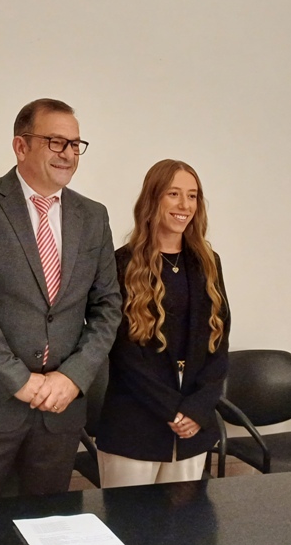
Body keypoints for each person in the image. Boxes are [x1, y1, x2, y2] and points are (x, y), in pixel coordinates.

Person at [0, 98, 121, 501]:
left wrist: (73, 377)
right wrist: (18, 380)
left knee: (48, 527)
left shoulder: (93, 216)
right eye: (56, 141)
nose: (68, 153)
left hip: (60, 411)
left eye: (75, 144)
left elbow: (108, 307)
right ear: (20, 146)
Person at [95, 159, 229, 487]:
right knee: (130, 518)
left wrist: (197, 409)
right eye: (174, 194)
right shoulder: (121, 263)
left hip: (193, 426)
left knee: (187, 517)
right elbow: (122, 351)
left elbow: (219, 341)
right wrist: (173, 410)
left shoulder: (208, 263)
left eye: (192, 196)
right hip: (135, 424)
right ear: (152, 199)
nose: (184, 205)